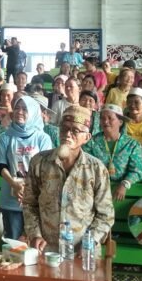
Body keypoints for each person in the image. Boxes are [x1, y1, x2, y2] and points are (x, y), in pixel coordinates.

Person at [22, 105, 115, 252]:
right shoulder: (39, 162)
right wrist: (35, 235)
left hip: (83, 252)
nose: (67, 134)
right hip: (46, 249)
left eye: (75, 130)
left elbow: (106, 215)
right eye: (64, 128)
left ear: (87, 137)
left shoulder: (97, 169)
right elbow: (29, 204)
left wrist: (90, 242)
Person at [0, 95, 53, 239]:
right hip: (11, 201)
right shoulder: (6, 137)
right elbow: (1, 167)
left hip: (36, 200)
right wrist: (14, 184)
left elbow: (45, 169)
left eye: (24, 109)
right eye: (17, 108)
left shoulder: (42, 138)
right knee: (12, 243)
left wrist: (28, 188)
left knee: (34, 243)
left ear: (33, 112)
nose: (19, 112)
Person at [83, 104, 142, 201]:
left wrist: (124, 184)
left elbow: (137, 171)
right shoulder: (91, 142)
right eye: (102, 118)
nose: (105, 121)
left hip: (124, 194)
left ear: (120, 122)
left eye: (110, 118)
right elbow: (85, 166)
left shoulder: (132, 144)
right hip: (95, 191)